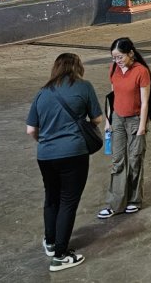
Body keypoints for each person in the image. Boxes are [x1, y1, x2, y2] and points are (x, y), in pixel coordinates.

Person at [26, 52, 102, 272]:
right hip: (74, 153)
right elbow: (97, 118)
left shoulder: (43, 92)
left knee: (52, 198)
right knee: (68, 201)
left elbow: (31, 129)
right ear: (78, 67)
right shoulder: (84, 87)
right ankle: (60, 255)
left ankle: (50, 242)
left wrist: (46, 142)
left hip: (45, 155)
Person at [97, 38, 151, 219]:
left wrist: (142, 127)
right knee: (118, 161)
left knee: (135, 159)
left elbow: (145, 102)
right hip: (117, 119)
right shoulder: (113, 68)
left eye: (120, 57)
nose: (117, 61)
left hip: (135, 120)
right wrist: (108, 121)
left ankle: (134, 200)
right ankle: (115, 203)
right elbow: (112, 96)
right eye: (114, 58)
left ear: (130, 53)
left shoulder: (141, 71)